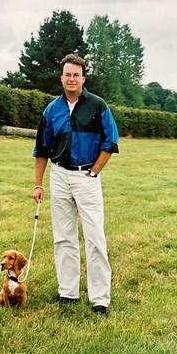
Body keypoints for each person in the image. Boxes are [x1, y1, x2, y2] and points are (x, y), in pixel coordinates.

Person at [32, 54, 119, 316]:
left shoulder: (98, 105)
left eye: (76, 75)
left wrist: (93, 173)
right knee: (63, 237)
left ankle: (100, 299)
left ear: (83, 78)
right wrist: (38, 185)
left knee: (95, 238)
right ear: (61, 78)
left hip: (86, 178)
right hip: (59, 177)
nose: (71, 79)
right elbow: (42, 149)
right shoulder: (51, 110)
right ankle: (67, 293)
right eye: (67, 74)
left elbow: (110, 142)